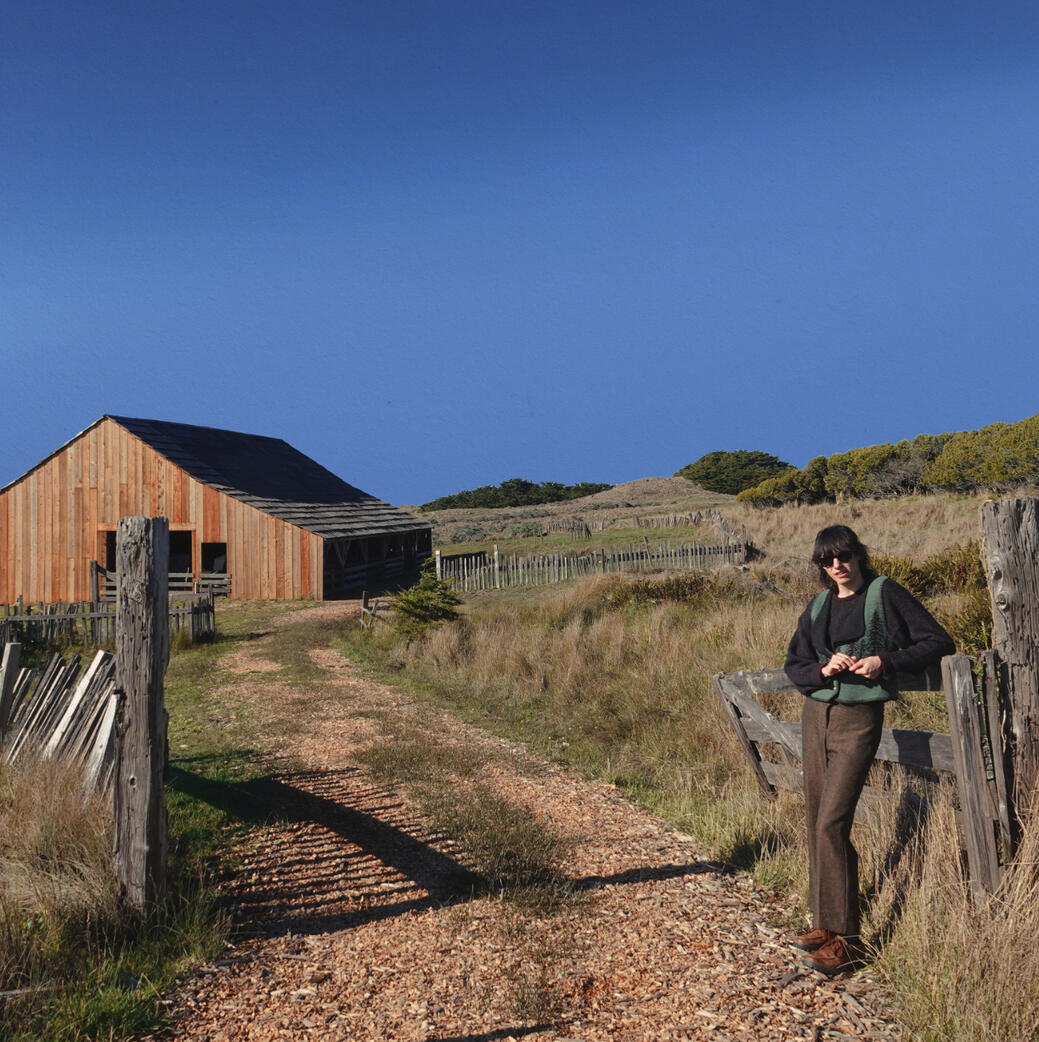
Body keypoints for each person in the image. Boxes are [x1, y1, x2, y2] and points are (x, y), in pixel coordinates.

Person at [784, 524, 954, 975]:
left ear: (857, 555)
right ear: (820, 567)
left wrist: (885, 660)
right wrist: (823, 669)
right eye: (826, 560)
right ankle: (824, 924)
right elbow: (794, 664)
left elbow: (939, 641)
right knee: (817, 818)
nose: (836, 566)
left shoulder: (884, 593)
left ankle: (848, 941)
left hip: (859, 718)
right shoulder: (818, 605)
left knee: (832, 822)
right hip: (815, 717)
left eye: (843, 556)